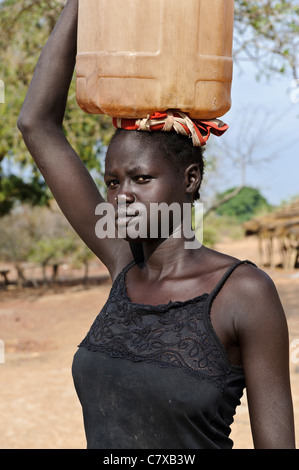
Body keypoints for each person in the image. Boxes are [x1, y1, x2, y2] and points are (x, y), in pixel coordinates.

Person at [17, 0, 295, 449]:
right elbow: (36, 123)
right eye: (112, 181)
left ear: (190, 180)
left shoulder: (244, 293)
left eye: (141, 179)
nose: (121, 195)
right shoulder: (122, 264)